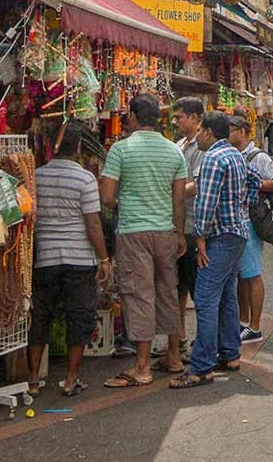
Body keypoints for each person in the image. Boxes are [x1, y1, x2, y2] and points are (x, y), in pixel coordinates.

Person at [99, 94, 187, 387]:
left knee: (138, 294)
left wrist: (125, 202)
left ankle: (142, 366)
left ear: (134, 117)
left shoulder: (120, 150)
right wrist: (179, 233)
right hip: (165, 232)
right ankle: (174, 356)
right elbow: (178, 199)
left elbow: (108, 197)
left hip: (133, 232)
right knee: (167, 292)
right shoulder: (174, 151)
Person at [173, 112, 260, 389]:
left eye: (199, 131)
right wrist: (240, 208)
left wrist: (199, 237)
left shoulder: (212, 158)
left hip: (220, 236)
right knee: (225, 295)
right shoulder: (236, 155)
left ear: (209, 132)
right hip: (237, 232)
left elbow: (205, 203)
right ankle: (230, 353)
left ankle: (201, 366)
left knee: (206, 297)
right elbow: (255, 183)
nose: (196, 136)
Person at [27, 124, 110, 396]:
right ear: (77, 148)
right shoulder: (85, 179)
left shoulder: (36, 177)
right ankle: (71, 379)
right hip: (79, 259)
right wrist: (104, 258)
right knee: (79, 317)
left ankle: (33, 381)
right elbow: (93, 224)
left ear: (51, 146)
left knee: (41, 317)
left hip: (45, 259)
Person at [230, 115, 273, 343]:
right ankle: (242, 322)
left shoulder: (258, 157)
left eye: (230, 129)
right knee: (242, 274)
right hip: (237, 220)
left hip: (251, 220)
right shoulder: (233, 155)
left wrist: (250, 182)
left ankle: (255, 327)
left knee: (252, 273)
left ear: (242, 131)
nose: (227, 133)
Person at [168, 96, 207, 363]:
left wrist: (173, 194)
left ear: (195, 118)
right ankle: (178, 336)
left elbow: (198, 184)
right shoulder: (179, 144)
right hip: (178, 225)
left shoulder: (202, 148)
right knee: (178, 286)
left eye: (179, 117)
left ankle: (202, 342)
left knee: (197, 288)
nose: (175, 121)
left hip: (194, 226)